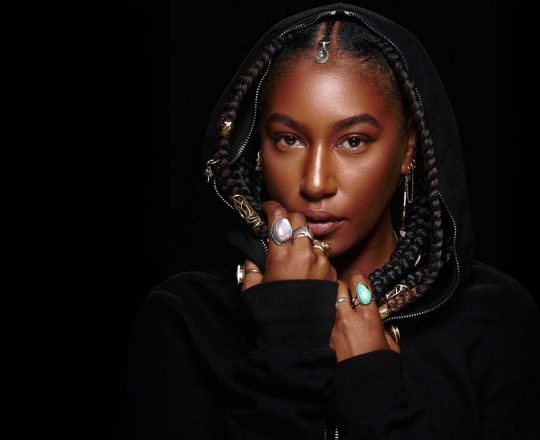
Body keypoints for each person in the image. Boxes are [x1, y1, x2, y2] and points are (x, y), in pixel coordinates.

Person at [127, 3, 540, 439]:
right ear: (257, 147)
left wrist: (374, 395)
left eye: (354, 141)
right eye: (288, 139)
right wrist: (289, 341)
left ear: (408, 149)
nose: (316, 182)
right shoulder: (185, 318)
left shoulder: (494, 319)